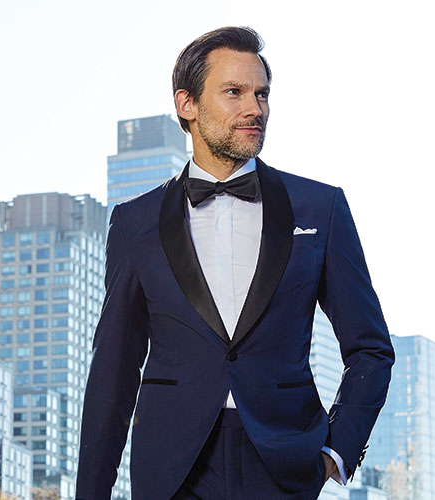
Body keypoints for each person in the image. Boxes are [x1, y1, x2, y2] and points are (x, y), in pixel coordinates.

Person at [75, 27, 395, 500]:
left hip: (284, 460)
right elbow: (114, 372)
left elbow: (370, 347)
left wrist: (337, 448)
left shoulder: (319, 208)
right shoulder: (133, 223)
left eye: (262, 94)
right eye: (234, 92)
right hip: (173, 468)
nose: (255, 108)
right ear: (187, 105)